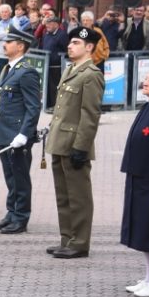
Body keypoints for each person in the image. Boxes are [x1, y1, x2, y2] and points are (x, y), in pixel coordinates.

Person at [45, 27, 105, 259]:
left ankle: (79, 242)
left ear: (89, 47)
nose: (70, 46)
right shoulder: (71, 69)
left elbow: (90, 115)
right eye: (69, 43)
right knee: (64, 195)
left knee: (78, 196)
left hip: (74, 144)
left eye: (76, 43)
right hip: (60, 141)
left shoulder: (91, 75)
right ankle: (66, 238)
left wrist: (81, 147)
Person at [0, 25, 41, 234]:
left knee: (20, 176)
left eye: (9, 42)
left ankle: (21, 216)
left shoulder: (26, 72)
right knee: (10, 176)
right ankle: (12, 212)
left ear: (20, 46)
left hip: (17, 134)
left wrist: (24, 133)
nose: (4, 44)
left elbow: (33, 107)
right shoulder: (8, 69)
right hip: (5, 130)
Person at [121, 60, 149, 297]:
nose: (145, 82)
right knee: (143, 230)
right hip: (140, 176)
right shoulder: (148, 107)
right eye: (146, 78)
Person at [40, 16, 67, 110]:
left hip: (57, 66)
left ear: (56, 24)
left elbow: (65, 49)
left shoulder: (62, 34)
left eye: (50, 23)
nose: (47, 25)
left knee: (55, 86)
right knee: (47, 86)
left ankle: (56, 105)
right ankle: (48, 104)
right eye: (47, 23)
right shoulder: (46, 34)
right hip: (46, 64)